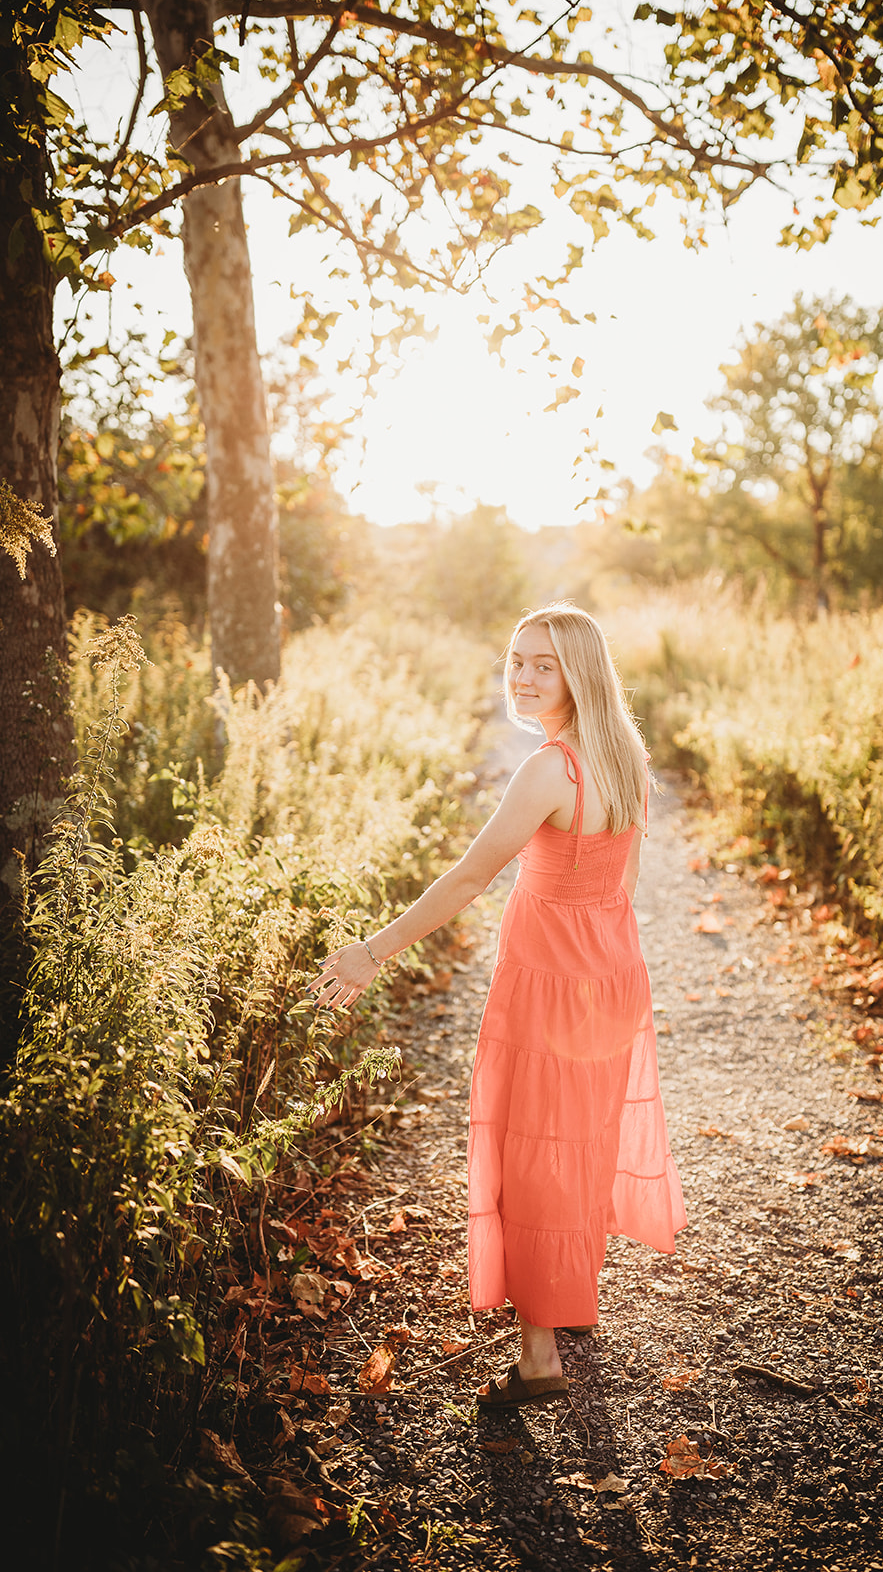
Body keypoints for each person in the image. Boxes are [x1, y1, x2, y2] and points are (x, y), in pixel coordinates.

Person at [308, 602, 686, 1408]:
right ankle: (568, 1297)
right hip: (610, 972)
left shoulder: (551, 768)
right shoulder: (625, 756)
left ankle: (539, 1352)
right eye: (515, 659)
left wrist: (370, 952)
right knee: (579, 1135)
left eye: (542, 663)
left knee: (527, 1154)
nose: (520, 675)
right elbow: (624, 882)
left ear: (579, 673)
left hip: (548, 980)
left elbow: (471, 878)